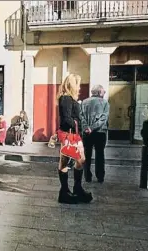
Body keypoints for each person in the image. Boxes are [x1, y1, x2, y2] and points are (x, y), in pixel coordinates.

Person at [57, 74, 92, 204]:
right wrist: (77, 124)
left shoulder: (69, 98)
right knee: (66, 162)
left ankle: (75, 189)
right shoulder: (66, 98)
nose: (79, 87)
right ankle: (65, 191)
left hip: (73, 134)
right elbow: (66, 118)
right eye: (77, 84)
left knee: (80, 160)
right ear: (72, 85)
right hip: (69, 134)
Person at [80, 84, 110, 183]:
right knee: (100, 155)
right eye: (103, 91)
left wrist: (87, 128)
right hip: (100, 132)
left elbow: (81, 117)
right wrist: (92, 128)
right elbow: (103, 119)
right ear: (99, 92)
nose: (104, 93)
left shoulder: (84, 102)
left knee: (87, 155)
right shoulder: (105, 103)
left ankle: (87, 176)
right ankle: (100, 176)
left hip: (87, 133)